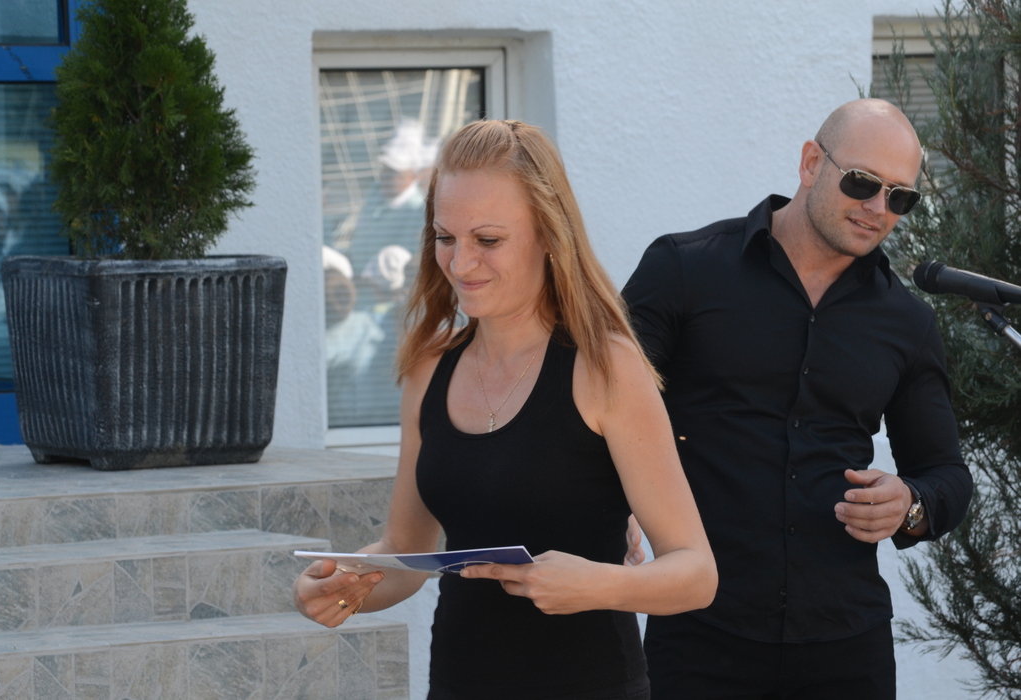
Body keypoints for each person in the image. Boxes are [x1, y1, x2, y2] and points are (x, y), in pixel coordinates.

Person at [295, 119, 717, 700]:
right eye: (445, 237)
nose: (460, 263)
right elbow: (405, 550)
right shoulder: (429, 367)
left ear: (549, 235)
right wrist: (343, 586)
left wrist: (596, 585)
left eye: (488, 240)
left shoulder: (605, 366)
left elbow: (696, 573)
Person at [622, 98, 974, 699]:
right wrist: (620, 505)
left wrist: (909, 504)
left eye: (900, 197)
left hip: (846, 642)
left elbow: (946, 474)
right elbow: (601, 408)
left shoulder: (907, 321)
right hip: (700, 629)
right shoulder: (684, 269)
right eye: (862, 182)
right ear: (812, 163)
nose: (878, 208)